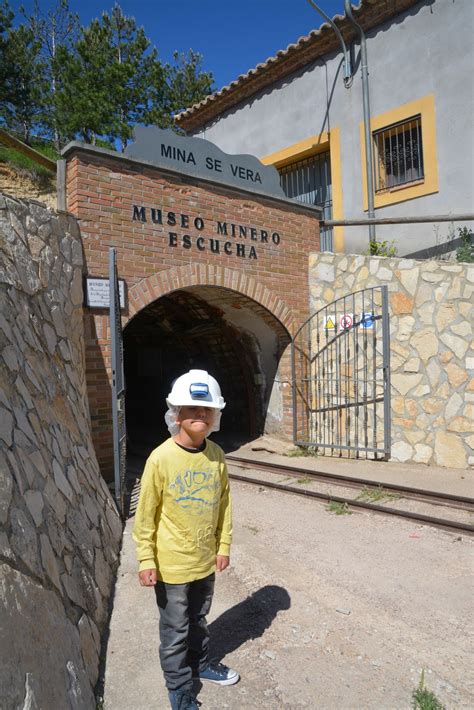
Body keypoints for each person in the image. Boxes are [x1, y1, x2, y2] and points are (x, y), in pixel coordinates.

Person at [133, 369, 240, 710]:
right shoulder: (161, 458)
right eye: (191, 409)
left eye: (206, 410)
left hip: (203, 563)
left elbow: (224, 505)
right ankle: (179, 688)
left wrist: (223, 546)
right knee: (175, 629)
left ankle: (201, 664)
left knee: (198, 619)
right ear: (175, 414)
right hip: (172, 566)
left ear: (215, 416)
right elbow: (146, 514)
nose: (199, 415)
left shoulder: (217, 456)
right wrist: (146, 559)